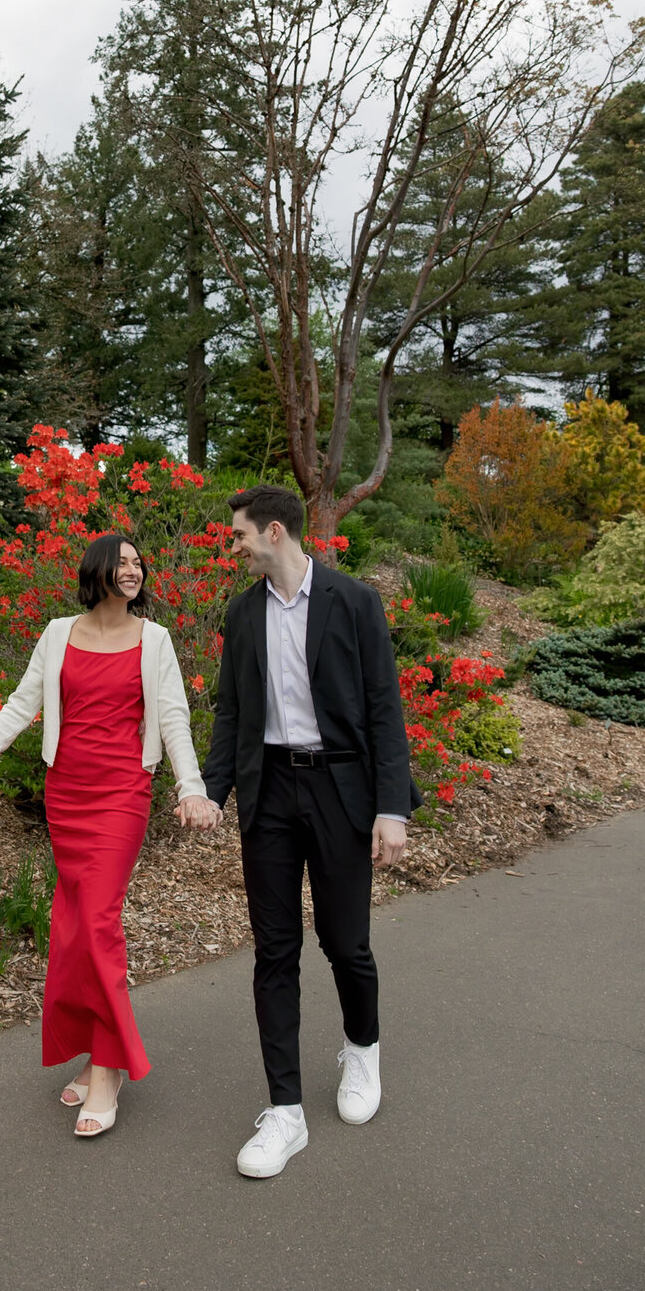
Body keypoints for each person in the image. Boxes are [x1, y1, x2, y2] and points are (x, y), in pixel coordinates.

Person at [0, 533, 220, 1137]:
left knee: (96, 922)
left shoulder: (155, 641)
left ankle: (107, 1070)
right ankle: (101, 1054)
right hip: (65, 795)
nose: (133, 570)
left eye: (138, 563)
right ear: (97, 570)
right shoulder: (57, 633)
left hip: (122, 797)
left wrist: (190, 787)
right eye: (122, 562)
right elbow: (22, 705)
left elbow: (172, 714)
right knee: (71, 931)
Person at [202, 484, 419, 1179]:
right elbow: (230, 712)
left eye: (238, 534)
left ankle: (361, 1051)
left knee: (345, 941)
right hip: (268, 789)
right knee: (275, 948)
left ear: (273, 532)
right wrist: (209, 792)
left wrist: (393, 807)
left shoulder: (353, 602)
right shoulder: (242, 614)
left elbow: (385, 708)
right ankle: (286, 1110)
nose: (232, 545)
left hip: (340, 785)